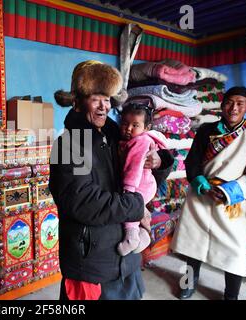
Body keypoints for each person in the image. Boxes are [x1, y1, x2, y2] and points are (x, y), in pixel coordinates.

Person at [50, 60, 174, 300]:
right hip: (91, 263)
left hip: (125, 258)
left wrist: (159, 162)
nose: (102, 107)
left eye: (107, 99)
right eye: (95, 98)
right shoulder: (71, 144)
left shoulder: (116, 134)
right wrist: (136, 207)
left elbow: (142, 176)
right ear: (76, 100)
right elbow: (82, 202)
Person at [171, 87, 246, 300]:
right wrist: (199, 180)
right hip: (201, 194)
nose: (234, 107)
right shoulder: (206, 129)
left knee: (235, 252)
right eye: (229, 102)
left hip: (233, 202)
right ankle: (188, 284)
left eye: (240, 103)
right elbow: (192, 160)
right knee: (192, 245)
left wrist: (229, 192)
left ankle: (231, 295)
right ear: (222, 104)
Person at [117, 102, 168, 256]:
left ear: (146, 128)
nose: (128, 128)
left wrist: (129, 190)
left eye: (135, 125)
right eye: (125, 123)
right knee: (137, 210)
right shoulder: (136, 139)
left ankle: (132, 237)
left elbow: (133, 168)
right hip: (145, 184)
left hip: (138, 184)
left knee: (130, 208)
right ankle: (144, 236)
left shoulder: (140, 142)